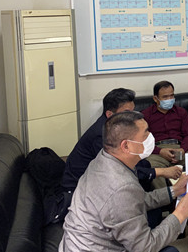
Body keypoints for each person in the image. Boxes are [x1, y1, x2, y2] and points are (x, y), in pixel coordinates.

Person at [59, 111, 188, 252]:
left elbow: (135, 201)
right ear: (126, 146)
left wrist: (174, 191)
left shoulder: (106, 158)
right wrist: (180, 214)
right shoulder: (120, 186)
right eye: (145, 134)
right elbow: (145, 249)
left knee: (154, 219)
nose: (151, 137)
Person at [61, 88, 181, 223]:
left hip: (104, 184)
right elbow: (121, 171)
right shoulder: (102, 137)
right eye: (126, 113)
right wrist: (161, 172)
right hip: (84, 193)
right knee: (151, 212)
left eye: (133, 112)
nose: (131, 118)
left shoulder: (115, 129)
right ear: (109, 114)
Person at [142, 81, 188, 189]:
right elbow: (142, 140)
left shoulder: (181, 112)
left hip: (179, 148)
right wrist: (160, 151)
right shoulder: (145, 115)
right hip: (158, 151)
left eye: (171, 96)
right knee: (151, 166)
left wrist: (182, 150)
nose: (169, 99)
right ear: (155, 98)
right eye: (165, 97)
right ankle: (167, 197)